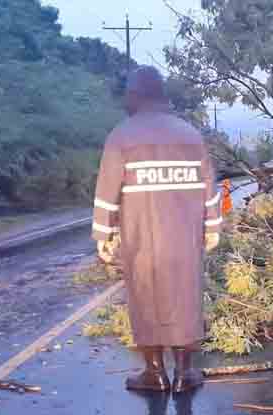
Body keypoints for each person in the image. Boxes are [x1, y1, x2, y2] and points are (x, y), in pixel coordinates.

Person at [91, 66, 222, 393]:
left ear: (134, 95)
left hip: (141, 239)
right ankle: (184, 374)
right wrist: (213, 227)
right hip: (185, 238)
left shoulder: (121, 136)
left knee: (145, 299)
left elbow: (106, 192)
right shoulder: (190, 135)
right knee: (185, 297)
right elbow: (210, 186)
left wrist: (103, 235)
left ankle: (155, 373)